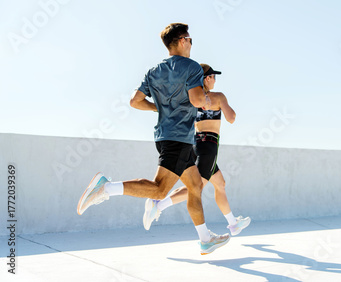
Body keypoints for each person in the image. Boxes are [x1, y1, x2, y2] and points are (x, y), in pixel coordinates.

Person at [76, 23, 230, 255]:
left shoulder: (154, 70)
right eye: (189, 39)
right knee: (159, 190)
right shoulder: (192, 67)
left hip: (170, 136)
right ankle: (106, 187)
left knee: (196, 186)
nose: (191, 43)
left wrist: (159, 108)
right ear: (181, 40)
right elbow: (198, 100)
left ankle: (205, 238)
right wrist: (206, 101)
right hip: (177, 137)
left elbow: (134, 101)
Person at [143, 64, 251, 236]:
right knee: (197, 187)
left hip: (194, 143)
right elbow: (231, 118)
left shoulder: (191, 97)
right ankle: (159, 205)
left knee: (220, 184)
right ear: (207, 78)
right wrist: (224, 106)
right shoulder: (218, 96)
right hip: (209, 145)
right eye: (214, 77)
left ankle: (233, 223)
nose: (215, 80)